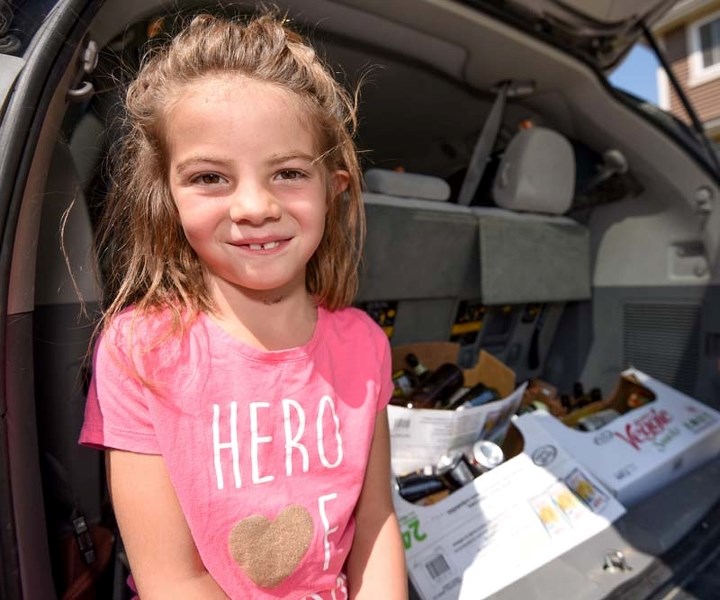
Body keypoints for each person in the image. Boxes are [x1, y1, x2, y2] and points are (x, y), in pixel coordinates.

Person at [79, 12, 407, 600]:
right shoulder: (141, 352)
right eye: (209, 177)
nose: (254, 206)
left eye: (286, 173)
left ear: (332, 189)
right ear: (167, 196)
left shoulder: (363, 344)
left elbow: (376, 521)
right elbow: (172, 579)